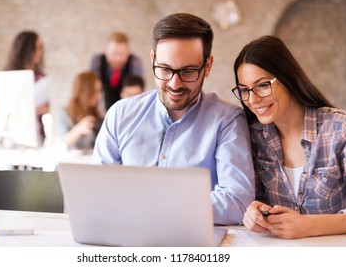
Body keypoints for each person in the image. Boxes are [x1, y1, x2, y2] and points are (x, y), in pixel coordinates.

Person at [93, 13, 255, 225]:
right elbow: (97, 190)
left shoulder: (227, 121)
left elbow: (238, 202)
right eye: (165, 69)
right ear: (153, 60)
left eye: (188, 71)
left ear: (207, 66)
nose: (175, 83)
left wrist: (155, 208)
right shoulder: (121, 115)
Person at [232, 35, 346, 239]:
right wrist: (254, 214)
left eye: (262, 85)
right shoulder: (255, 139)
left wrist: (310, 226)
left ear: (287, 78)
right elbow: (256, 201)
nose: (252, 99)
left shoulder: (339, 129)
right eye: (244, 90)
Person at [4, 31, 50, 143]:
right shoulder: (9, 77)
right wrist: (32, 111)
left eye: (41, 48)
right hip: (14, 137)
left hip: (38, 136)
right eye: (36, 48)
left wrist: (46, 109)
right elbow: (7, 111)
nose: (40, 53)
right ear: (26, 50)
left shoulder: (42, 78)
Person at [90, 32, 144, 110]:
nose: (118, 59)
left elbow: (137, 93)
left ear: (128, 52)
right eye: (114, 53)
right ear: (106, 51)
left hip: (127, 106)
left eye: (122, 54)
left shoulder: (134, 62)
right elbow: (92, 90)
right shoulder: (97, 61)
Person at [58, 71, 103, 150]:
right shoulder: (65, 114)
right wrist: (79, 129)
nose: (99, 96)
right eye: (95, 92)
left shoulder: (97, 115)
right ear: (85, 92)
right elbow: (61, 146)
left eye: (99, 91)